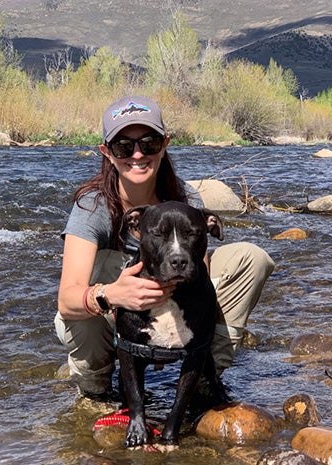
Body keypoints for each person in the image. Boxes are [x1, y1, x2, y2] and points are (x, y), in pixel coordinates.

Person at [55, 95, 275, 399]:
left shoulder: (187, 198)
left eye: (149, 143)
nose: (137, 154)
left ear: (165, 143)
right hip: (114, 313)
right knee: (79, 311)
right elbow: (66, 300)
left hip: (177, 305)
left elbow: (202, 274)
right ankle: (98, 386)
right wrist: (110, 294)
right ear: (107, 152)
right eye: (123, 146)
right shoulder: (93, 207)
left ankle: (205, 371)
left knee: (251, 258)